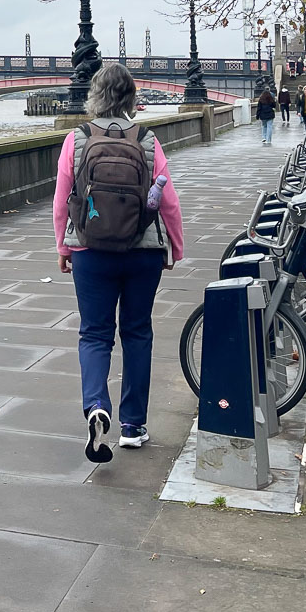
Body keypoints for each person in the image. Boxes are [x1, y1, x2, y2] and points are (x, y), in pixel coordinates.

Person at [53, 63, 184, 462]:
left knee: (94, 334)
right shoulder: (147, 140)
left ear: (95, 95)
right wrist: (174, 248)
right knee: (137, 333)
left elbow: (61, 200)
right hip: (142, 250)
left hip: (90, 251)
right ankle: (132, 426)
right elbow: (169, 202)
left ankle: (96, 405)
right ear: (131, 98)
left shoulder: (76, 140)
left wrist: (63, 246)